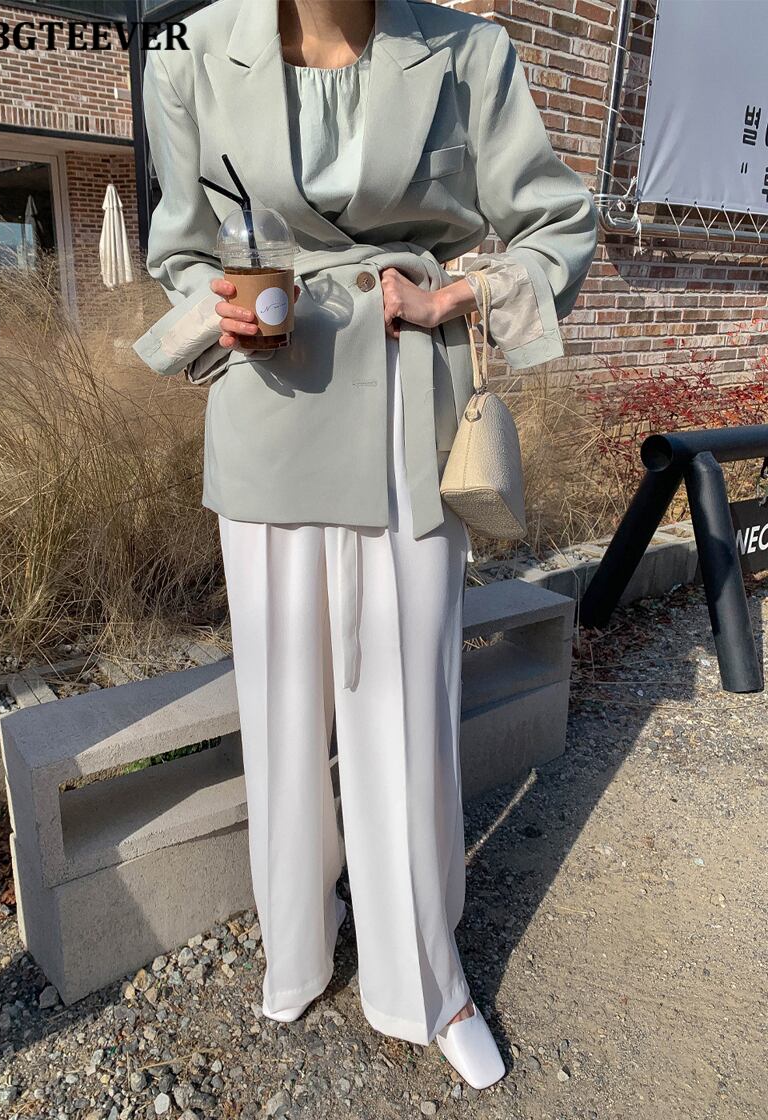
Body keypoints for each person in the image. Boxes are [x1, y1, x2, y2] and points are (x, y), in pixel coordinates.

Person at [133, 0, 598, 1091]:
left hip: (405, 411)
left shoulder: (469, 50)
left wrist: (459, 293)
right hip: (267, 409)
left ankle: (425, 979)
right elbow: (181, 247)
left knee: (405, 708)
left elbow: (555, 222)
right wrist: (216, 306)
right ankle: (297, 945)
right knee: (283, 707)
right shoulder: (191, 53)